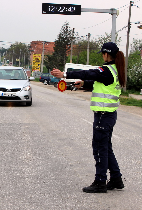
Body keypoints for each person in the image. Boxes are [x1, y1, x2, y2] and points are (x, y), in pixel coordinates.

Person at [51, 42, 125, 193]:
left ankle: (100, 182)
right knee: (106, 147)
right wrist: (84, 84)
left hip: (103, 115)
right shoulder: (114, 70)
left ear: (106, 54)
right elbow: (97, 82)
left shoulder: (106, 70)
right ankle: (116, 179)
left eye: (102, 54)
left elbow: (89, 72)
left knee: (99, 148)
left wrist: (65, 75)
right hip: (109, 114)